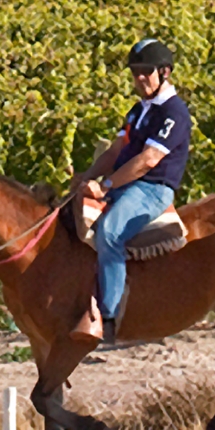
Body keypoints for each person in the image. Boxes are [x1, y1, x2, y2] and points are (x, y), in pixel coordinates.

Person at [74, 37, 190, 346]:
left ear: (164, 72)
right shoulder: (137, 111)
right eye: (135, 71)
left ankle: (109, 319)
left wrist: (107, 185)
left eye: (145, 71)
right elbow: (115, 152)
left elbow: (148, 160)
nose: (139, 78)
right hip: (126, 184)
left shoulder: (174, 113)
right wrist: (85, 179)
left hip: (152, 189)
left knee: (110, 233)